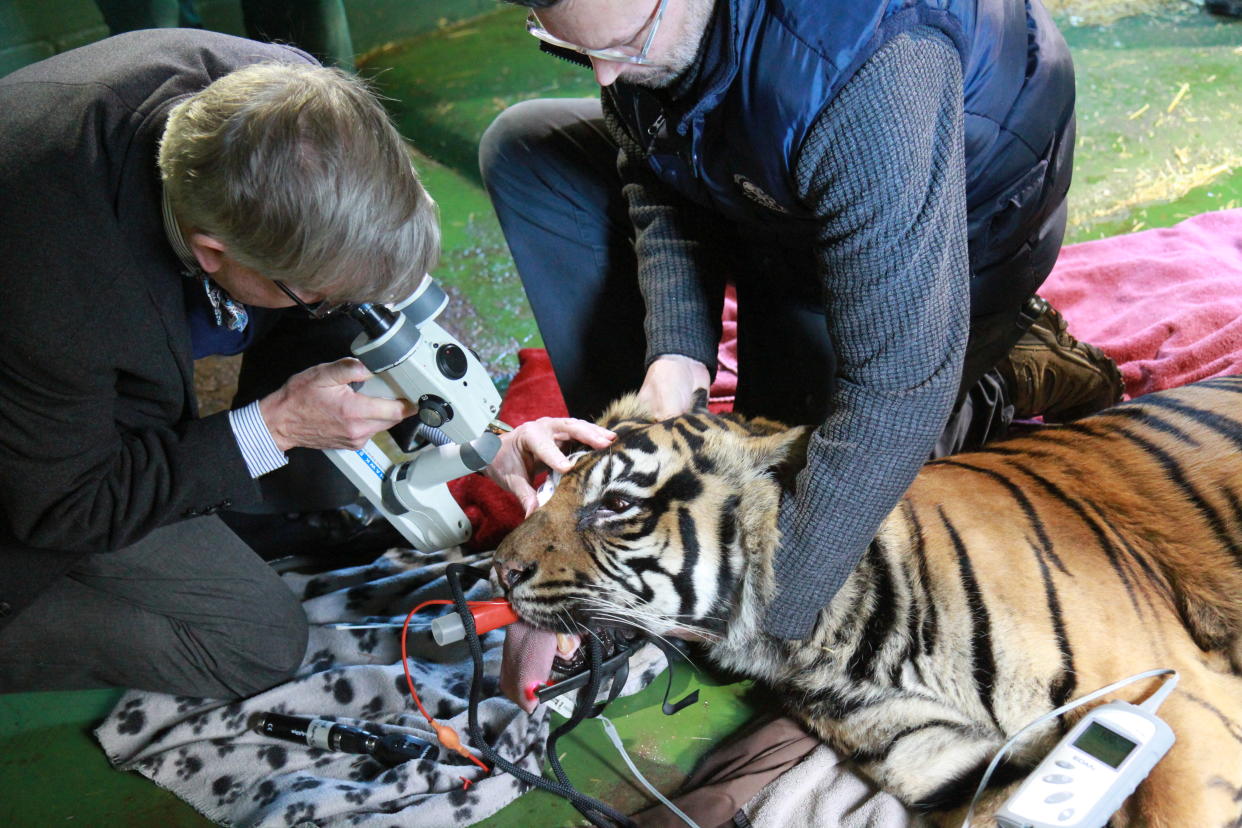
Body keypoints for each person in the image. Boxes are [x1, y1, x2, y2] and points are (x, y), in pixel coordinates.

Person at [479, 0, 1125, 641]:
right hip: (785, 177)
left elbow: (898, 391)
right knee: (523, 149)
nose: (603, 77)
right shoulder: (642, 33)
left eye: (625, 45)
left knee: (814, 495)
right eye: (574, 48)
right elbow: (657, 159)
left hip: (947, 219)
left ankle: (1003, 364)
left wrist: (761, 625)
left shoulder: (873, 68)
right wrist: (675, 355)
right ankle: (632, 502)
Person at [0, 28, 612, 700]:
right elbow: (67, 505)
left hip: (87, 348)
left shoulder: (293, 107)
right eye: (317, 294)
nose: (338, 307)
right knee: (254, 645)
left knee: (321, 465)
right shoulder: (53, 286)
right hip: (46, 469)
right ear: (211, 253)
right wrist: (275, 427)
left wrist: (479, 439)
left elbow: (359, 286)